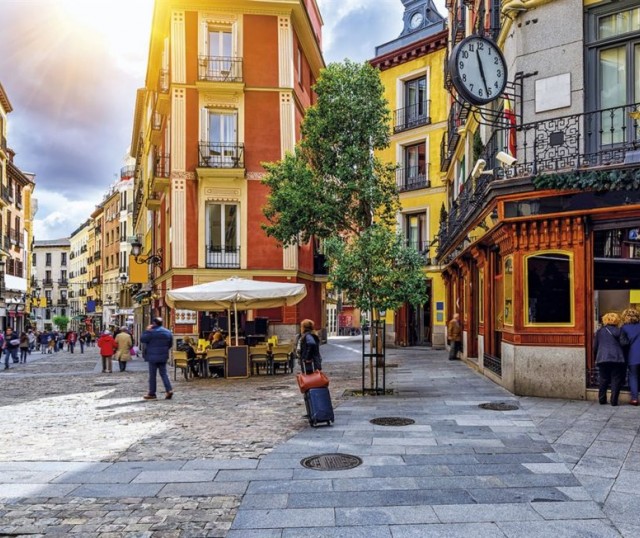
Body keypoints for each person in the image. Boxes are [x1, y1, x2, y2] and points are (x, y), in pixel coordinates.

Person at [593, 312, 627, 406]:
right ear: (617, 320)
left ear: (605, 320)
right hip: (617, 358)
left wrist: (596, 356)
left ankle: (602, 399)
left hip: (603, 358)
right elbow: (624, 343)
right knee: (616, 379)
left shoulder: (599, 331)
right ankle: (614, 401)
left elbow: (595, 347)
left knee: (603, 379)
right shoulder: (620, 331)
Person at [140, 317, 174, 400]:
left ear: (154, 323)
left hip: (152, 356)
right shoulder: (168, 332)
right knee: (164, 374)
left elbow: (142, 339)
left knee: (152, 375)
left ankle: (152, 393)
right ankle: (169, 390)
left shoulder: (151, 332)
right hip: (163, 356)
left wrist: (147, 330)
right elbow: (170, 344)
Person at [621, 308, 640, 406]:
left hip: (633, 356)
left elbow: (623, 343)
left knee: (633, 376)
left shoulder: (624, 328)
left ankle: (634, 399)